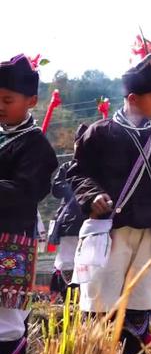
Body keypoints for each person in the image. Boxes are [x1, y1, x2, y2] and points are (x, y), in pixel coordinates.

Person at [68, 54, 151, 354]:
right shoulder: (99, 132)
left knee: (141, 301)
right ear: (134, 98)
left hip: (148, 231)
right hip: (110, 230)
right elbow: (78, 174)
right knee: (102, 302)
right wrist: (93, 195)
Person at [0, 54, 58, 354]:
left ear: (31, 101)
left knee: (5, 320)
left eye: (7, 100)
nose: (0, 106)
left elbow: (25, 191)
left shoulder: (37, 146)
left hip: (11, 243)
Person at [47, 124, 88, 301]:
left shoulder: (98, 168)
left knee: (89, 262)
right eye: (78, 143)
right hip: (69, 221)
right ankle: (68, 297)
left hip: (91, 220)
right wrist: (76, 187)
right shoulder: (67, 167)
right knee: (67, 261)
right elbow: (56, 188)